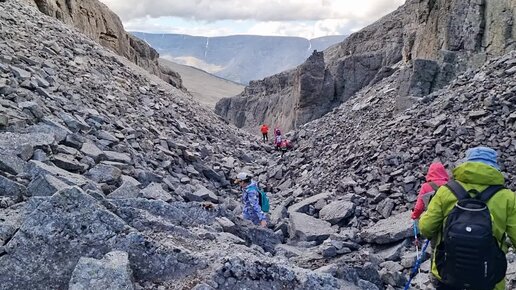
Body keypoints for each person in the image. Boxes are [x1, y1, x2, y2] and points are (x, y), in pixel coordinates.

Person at [419, 147, 516, 290]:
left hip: (447, 274)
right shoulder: (508, 197)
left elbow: (425, 228)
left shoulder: (445, 191)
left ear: (466, 163)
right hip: (489, 278)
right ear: (495, 166)